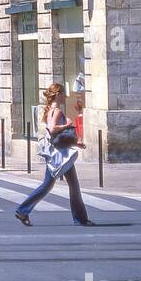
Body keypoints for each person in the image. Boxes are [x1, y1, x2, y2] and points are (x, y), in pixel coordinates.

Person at [15, 82, 95, 227]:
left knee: (65, 185)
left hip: (59, 152)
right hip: (60, 156)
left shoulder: (51, 110)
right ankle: (23, 210)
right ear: (57, 94)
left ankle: (80, 219)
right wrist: (67, 124)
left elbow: (58, 136)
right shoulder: (56, 111)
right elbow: (52, 130)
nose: (65, 96)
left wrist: (75, 143)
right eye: (63, 93)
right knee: (52, 185)